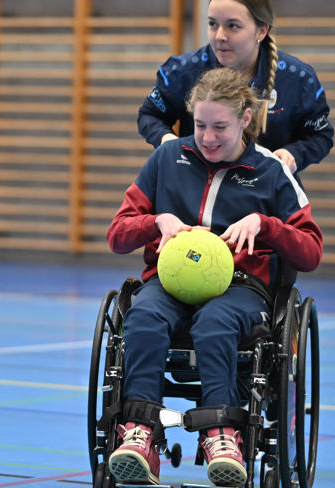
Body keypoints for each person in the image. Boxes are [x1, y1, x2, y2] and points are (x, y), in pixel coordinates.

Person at [106, 67, 322, 486]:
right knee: (143, 316)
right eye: (200, 125)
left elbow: (311, 250)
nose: (207, 138)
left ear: (245, 118)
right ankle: (139, 433)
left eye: (220, 127)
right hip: (169, 284)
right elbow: (117, 234)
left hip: (240, 289)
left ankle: (222, 434)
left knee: (215, 323)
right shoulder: (167, 159)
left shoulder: (273, 173)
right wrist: (156, 221)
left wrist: (267, 225)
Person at [138, 0, 334, 175]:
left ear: (262, 30)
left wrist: (293, 154)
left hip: (267, 193)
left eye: (233, 26)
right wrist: (167, 140)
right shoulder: (183, 71)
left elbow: (319, 136)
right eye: (212, 24)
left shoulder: (297, 78)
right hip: (196, 189)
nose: (219, 36)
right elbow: (151, 115)